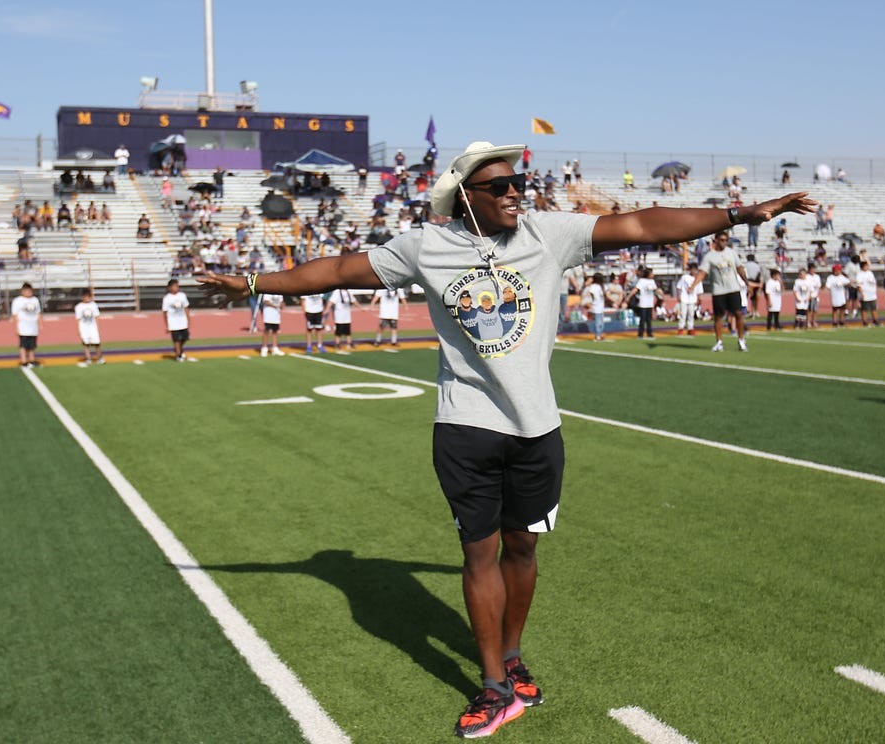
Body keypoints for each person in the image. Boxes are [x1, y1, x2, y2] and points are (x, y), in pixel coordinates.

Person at [197, 141, 814, 738]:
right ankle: (493, 688)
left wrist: (739, 213)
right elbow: (335, 271)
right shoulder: (425, 246)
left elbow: (644, 226)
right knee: (479, 554)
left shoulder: (549, 233)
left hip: (537, 427)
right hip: (465, 426)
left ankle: (512, 657)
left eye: (519, 182)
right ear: (466, 198)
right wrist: (253, 285)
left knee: (523, 551)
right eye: (500, 186)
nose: (516, 192)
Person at [688, 232, 752, 352]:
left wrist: (747, 283)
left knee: (738, 314)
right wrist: (693, 285)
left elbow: (739, 268)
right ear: (716, 240)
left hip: (733, 288)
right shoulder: (710, 256)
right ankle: (719, 342)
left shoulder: (731, 252)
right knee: (718, 317)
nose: (724, 242)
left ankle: (741, 340)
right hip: (718, 290)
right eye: (722, 240)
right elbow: (702, 272)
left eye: (726, 240)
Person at [11, 283, 42, 367]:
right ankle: (24, 360)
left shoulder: (35, 300)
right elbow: (15, 314)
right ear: (22, 291)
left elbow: (38, 312)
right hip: (23, 326)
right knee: (23, 345)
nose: (29, 292)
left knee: (32, 345)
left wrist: (40, 324)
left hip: (33, 326)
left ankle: (32, 359)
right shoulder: (18, 301)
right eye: (27, 291)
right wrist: (17, 327)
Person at [162, 279, 191, 361]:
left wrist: (188, 320)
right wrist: (167, 325)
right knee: (176, 339)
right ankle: (179, 355)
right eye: (175, 286)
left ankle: (178, 349)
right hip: (173, 322)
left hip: (183, 321)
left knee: (185, 337)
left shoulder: (182, 295)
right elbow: (164, 312)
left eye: (177, 286)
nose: (177, 287)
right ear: (170, 287)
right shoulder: (167, 298)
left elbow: (186, 308)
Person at [627, 266, 660, 338]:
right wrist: (629, 297)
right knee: (643, 318)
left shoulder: (652, 281)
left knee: (649, 319)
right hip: (643, 302)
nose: (653, 275)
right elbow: (635, 289)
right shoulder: (642, 281)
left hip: (649, 302)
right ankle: (640, 333)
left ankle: (649, 332)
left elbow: (656, 289)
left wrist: (660, 293)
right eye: (651, 273)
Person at [74, 289, 104, 365]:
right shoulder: (79, 307)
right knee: (86, 343)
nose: (87, 298)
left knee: (97, 343)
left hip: (92, 327)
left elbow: (96, 317)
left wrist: (98, 328)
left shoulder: (93, 305)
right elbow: (78, 319)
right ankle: (88, 358)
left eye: (88, 296)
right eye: (85, 296)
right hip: (84, 328)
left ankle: (99, 358)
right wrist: (79, 330)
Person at [854, 261, 881, 326]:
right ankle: (865, 321)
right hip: (865, 294)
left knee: (874, 308)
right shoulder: (859, 274)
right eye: (865, 266)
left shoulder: (870, 273)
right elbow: (859, 285)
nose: (867, 267)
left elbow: (874, 282)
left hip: (872, 294)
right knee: (864, 309)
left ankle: (875, 320)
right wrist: (862, 293)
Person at [675, 263, 699, 335]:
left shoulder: (697, 278)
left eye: (695, 269)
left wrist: (699, 298)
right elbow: (678, 287)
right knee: (683, 314)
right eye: (692, 269)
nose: (694, 271)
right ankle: (681, 328)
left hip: (692, 299)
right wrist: (678, 296)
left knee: (691, 314)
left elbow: (699, 290)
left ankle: (690, 328)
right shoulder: (684, 277)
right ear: (690, 270)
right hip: (684, 298)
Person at [581, 274, 607, 341]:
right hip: (596, 306)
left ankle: (600, 334)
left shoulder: (602, 286)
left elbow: (605, 294)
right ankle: (597, 335)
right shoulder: (593, 287)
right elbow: (590, 294)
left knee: (601, 322)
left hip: (601, 306)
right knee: (598, 322)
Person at [259, 291, 284, 356]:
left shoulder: (280, 292)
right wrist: (276, 305)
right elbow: (266, 301)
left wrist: (281, 305)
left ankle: (275, 348)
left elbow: (281, 302)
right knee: (267, 331)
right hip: (268, 314)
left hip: (276, 314)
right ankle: (264, 348)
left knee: (275, 331)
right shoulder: (268, 291)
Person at [803, 264, 822, 329]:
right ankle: (808, 321)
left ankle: (814, 321)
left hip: (815, 295)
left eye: (813, 269)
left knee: (815, 310)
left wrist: (817, 294)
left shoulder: (817, 276)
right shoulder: (807, 276)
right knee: (809, 310)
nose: (812, 270)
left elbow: (819, 285)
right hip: (809, 295)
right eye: (811, 269)